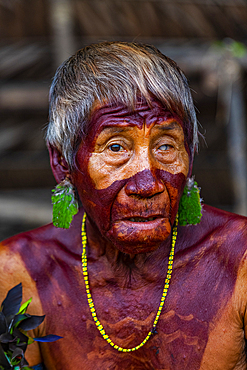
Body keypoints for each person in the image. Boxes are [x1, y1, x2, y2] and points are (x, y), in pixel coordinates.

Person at [0, 42, 247, 370]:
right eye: (116, 147)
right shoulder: (21, 274)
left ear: (191, 153)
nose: (148, 184)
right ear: (62, 162)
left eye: (166, 145)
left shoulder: (240, 261)